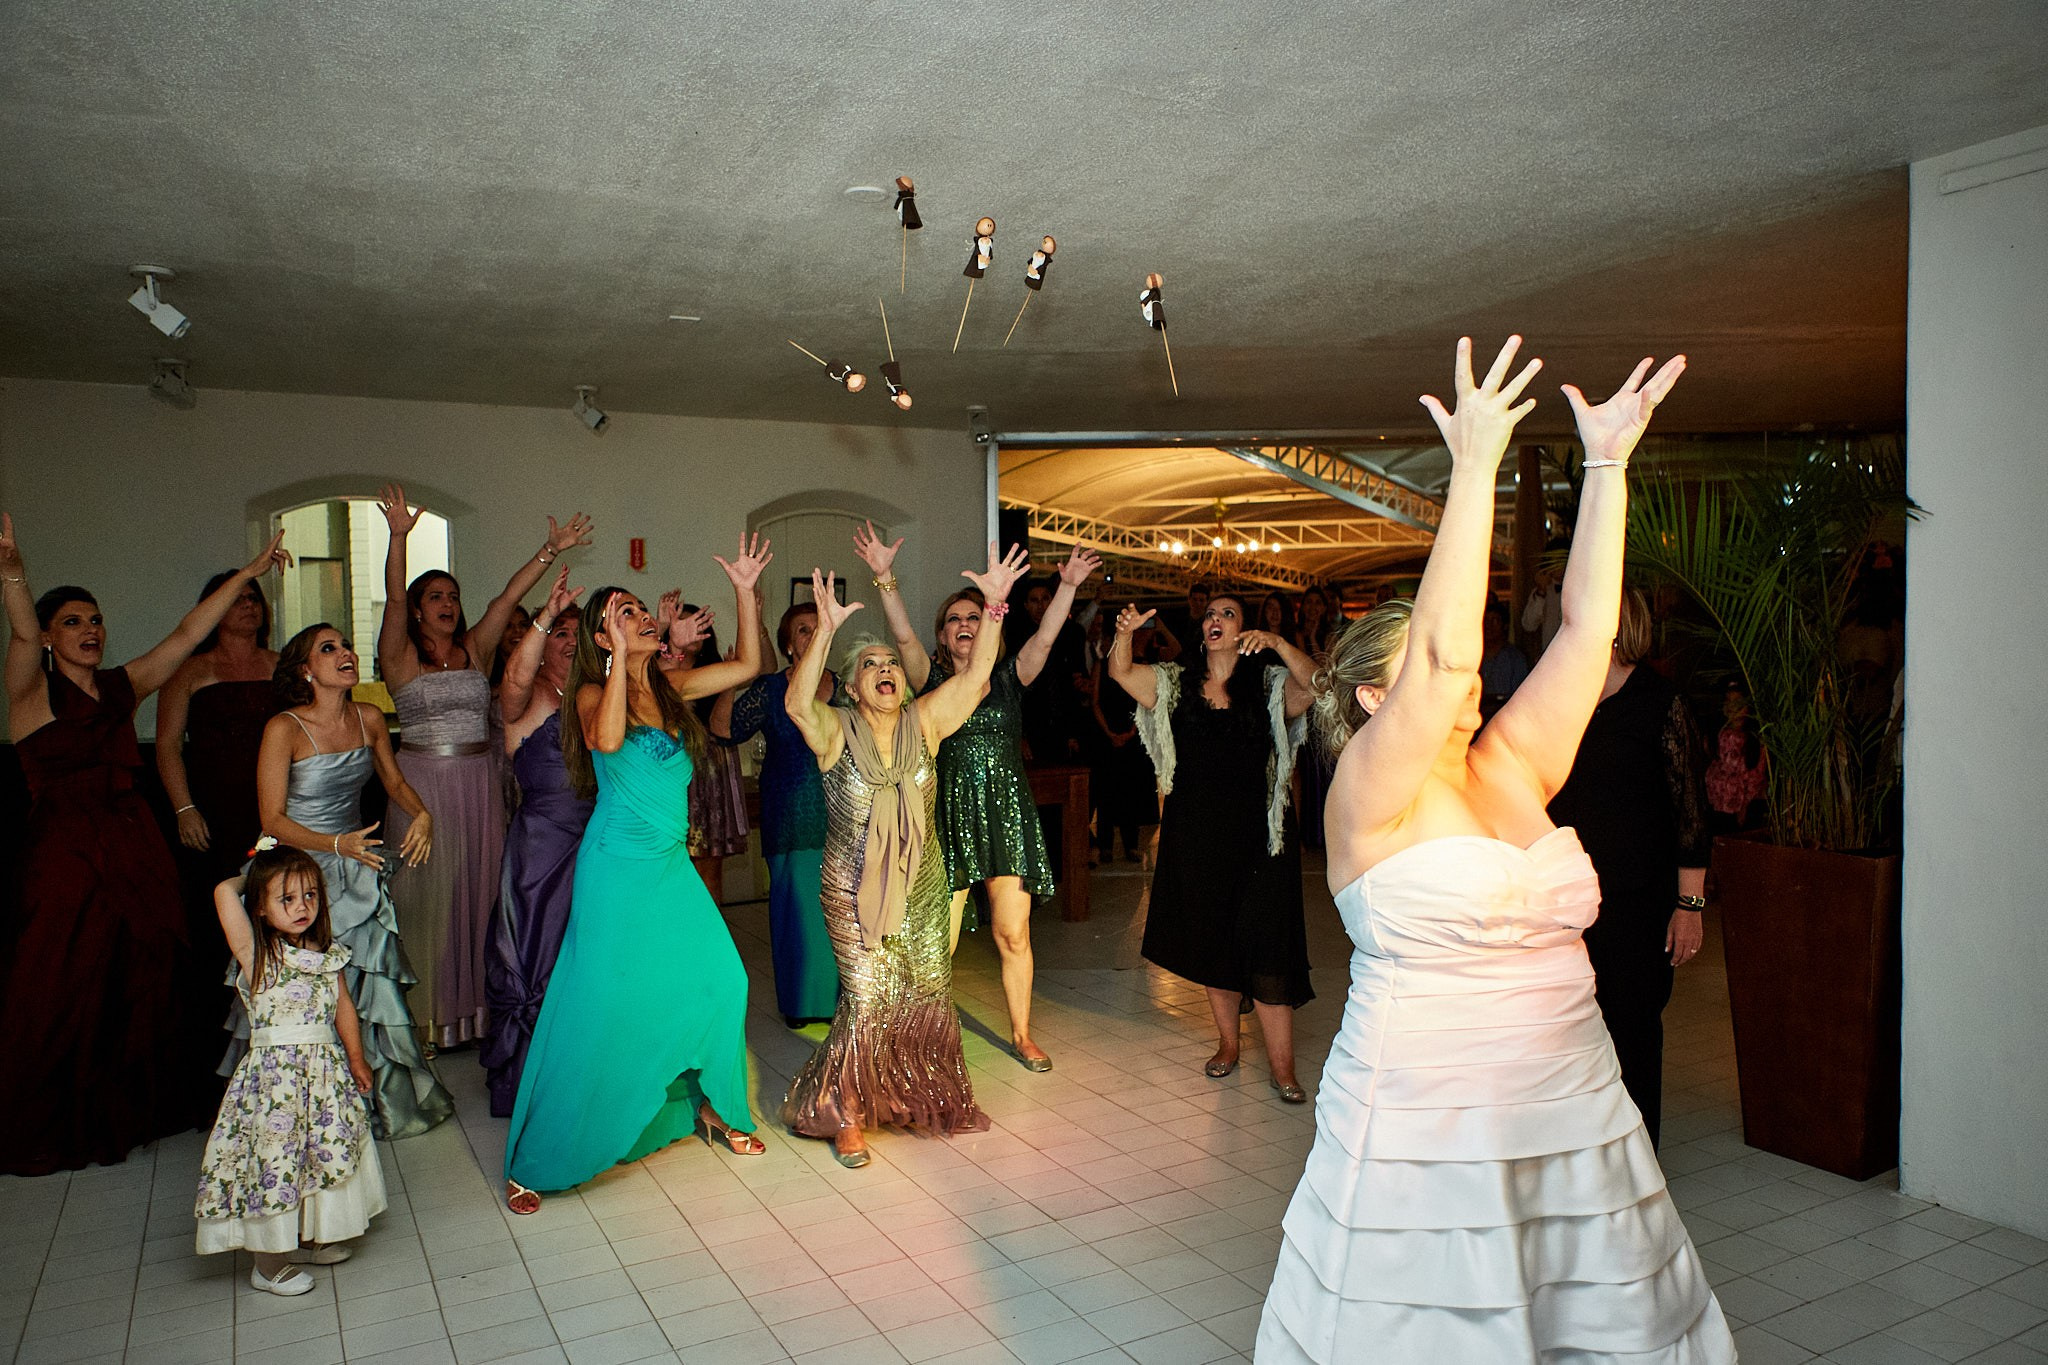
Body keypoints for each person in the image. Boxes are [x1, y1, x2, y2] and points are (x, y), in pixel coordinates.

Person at [1257, 337, 1731, 1362]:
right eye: (1442, 680)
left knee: (1586, 1316)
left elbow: (1587, 633)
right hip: (1430, 1120)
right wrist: (1473, 464)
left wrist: (1604, 466)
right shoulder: (1362, 800)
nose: (1475, 685)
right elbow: (1440, 655)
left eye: (1474, 680)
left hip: (1568, 1096)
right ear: (1374, 700)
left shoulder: (1510, 763)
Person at [0, 519, 290, 1175]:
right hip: (65, 857)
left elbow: (188, 635)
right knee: (60, 980)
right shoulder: (30, 696)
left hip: (132, 848)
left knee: (133, 981)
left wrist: (249, 572)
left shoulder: (121, 687)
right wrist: (13, 572)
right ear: (51, 637)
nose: (90, 630)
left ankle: (124, 1112)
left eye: (95, 619)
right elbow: (19, 630)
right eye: (73, 621)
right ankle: (57, 1115)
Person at [503, 534, 772, 1214]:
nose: (644, 616)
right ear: (604, 635)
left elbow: (746, 662)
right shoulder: (594, 692)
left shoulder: (672, 686)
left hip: (668, 865)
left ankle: (712, 1106)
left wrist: (744, 587)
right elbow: (608, 742)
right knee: (598, 1006)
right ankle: (543, 1156)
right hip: (615, 867)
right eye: (626, 611)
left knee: (721, 977)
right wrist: (621, 659)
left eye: (641, 609)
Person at [780, 547, 1029, 1168]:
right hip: (851, 889)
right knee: (865, 1000)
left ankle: (905, 1092)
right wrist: (828, 630)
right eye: (870, 664)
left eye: (892, 660)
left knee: (921, 992)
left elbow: (976, 679)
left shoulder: (927, 720)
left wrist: (995, 606)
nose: (886, 668)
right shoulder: (834, 729)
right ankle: (845, 1116)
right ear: (854, 683)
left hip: (922, 886)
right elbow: (794, 703)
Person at [859, 523, 1099, 1071]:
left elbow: (1045, 637)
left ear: (991, 621)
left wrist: (1068, 586)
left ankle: (1021, 1034)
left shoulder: (1011, 676)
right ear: (942, 636)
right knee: (935, 942)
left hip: (1006, 813)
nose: (964, 626)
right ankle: (919, 1038)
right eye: (954, 621)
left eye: (974, 616)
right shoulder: (927, 677)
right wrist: (884, 577)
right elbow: (900, 640)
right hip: (946, 816)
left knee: (1012, 932)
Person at [374, 483, 593, 1052]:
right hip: (423, 786)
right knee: (429, 900)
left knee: (483, 896)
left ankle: (479, 1015)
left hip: (479, 783)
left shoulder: (475, 647)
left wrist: (549, 552)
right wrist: (399, 538)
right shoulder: (398, 656)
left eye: (452, 594)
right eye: (436, 596)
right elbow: (392, 601)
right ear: (420, 609)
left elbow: (504, 600)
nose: (447, 603)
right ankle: (423, 1022)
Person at [1107, 592, 1316, 1099]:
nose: (1215, 620)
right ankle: (1228, 1044)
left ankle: (1283, 1068)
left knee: (1269, 949)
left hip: (1262, 839)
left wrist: (1281, 644)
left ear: (1245, 630)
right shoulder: (1176, 684)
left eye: (1228, 614)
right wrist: (1124, 633)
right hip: (1197, 835)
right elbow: (1121, 674)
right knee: (1214, 942)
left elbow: (1318, 685)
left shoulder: (1268, 685)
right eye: (1209, 615)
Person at [251, 624, 452, 1138]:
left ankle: (380, 1103)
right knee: (312, 988)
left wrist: (422, 814)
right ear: (306, 670)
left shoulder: (368, 718)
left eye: (345, 645)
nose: (346, 652)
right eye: (329, 649)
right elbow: (271, 818)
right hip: (300, 868)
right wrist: (336, 845)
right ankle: (311, 1115)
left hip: (356, 863)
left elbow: (395, 781)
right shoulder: (285, 728)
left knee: (369, 985)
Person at [1547, 587, 1711, 1149]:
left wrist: (1689, 907)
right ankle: (1585, 1157)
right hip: (1569, 901)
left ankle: (1638, 1163)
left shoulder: (1660, 702)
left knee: (1633, 1031)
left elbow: (1691, 813)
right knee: (1571, 1031)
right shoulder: (1562, 700)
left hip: (1639, 904)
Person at [195, 847, 388, 1297]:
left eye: (310, 895)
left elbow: (344, 1010)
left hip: (323, 1079)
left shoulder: (327, 955)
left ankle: (308, 1235)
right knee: (276, 1162)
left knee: (320, 1152)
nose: (302, 907)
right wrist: (263, 865)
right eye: (286, 898)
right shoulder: (256, 955)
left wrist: (357, 1058)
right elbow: (225, 891)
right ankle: (268, 1264)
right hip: (275, 1084)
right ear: (260, 907)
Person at [481, 568, 593, 1117]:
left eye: (580, 634)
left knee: (590, 959)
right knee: (541, 956)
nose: (570, 643)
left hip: (598, 843)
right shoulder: (523, 701)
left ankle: (587, 1073)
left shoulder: (596, 698)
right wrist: (545, 614)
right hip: (542, 849)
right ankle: (536, 1083)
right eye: (561, 635)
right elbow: (514, 680)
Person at [711, 599, 844, 1028]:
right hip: (790, 811)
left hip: (841, 813)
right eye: (801, 630)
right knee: (797, 912)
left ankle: (842, 1001)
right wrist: (730, 682)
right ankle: (801, 1004)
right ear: (789, 645)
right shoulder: (770, 690)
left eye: (816, 628)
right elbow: (724, 731)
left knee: (840, 914)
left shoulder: (845, 687)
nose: (810, 635)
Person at [158, 570, 282, 914]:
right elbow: (168, 745)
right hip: (212, 808)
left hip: (272, 802)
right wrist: (184, 809)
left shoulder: (281, 666)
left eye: (253, 598)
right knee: (216, 900)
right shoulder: (188, 670)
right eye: (237, 599)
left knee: (275, 896)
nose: (248, 605)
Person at [666, 596, 751, 899]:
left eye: (699, 626)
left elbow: (757, 668)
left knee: (709, 868)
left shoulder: (716, 671)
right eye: (684, 624)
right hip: (673, 779)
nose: (692, 631)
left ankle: (711, 936)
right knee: (672, 867)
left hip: (709, 776)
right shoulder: (655, 672)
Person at [1088, 622, 1160, 864]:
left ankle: (1131, 845)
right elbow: (1095, 701)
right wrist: (1109, 733)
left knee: (1131, 791)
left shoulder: (1134, 664)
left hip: (1131, 733)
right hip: (1106, 734)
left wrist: (1131, 731)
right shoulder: (1101, 665)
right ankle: (1105, 845)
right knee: (1107, 792)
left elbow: (1144, 701)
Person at [1705, 680, 1766, 833]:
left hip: (1745, 812)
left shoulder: (1756, 740)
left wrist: (1744, 807)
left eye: (1739, 704)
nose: (1734, 710)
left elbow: (1756, 777)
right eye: (1728, 703)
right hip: (1718, 808)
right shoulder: (1715, 737)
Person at [1477, 596, 1531, 718]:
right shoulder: (1472, 656)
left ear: (1505, 625)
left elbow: (1520, 697)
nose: (1488, 625)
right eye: (1485, 620)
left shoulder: (1515, 659)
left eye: (1494, 620)